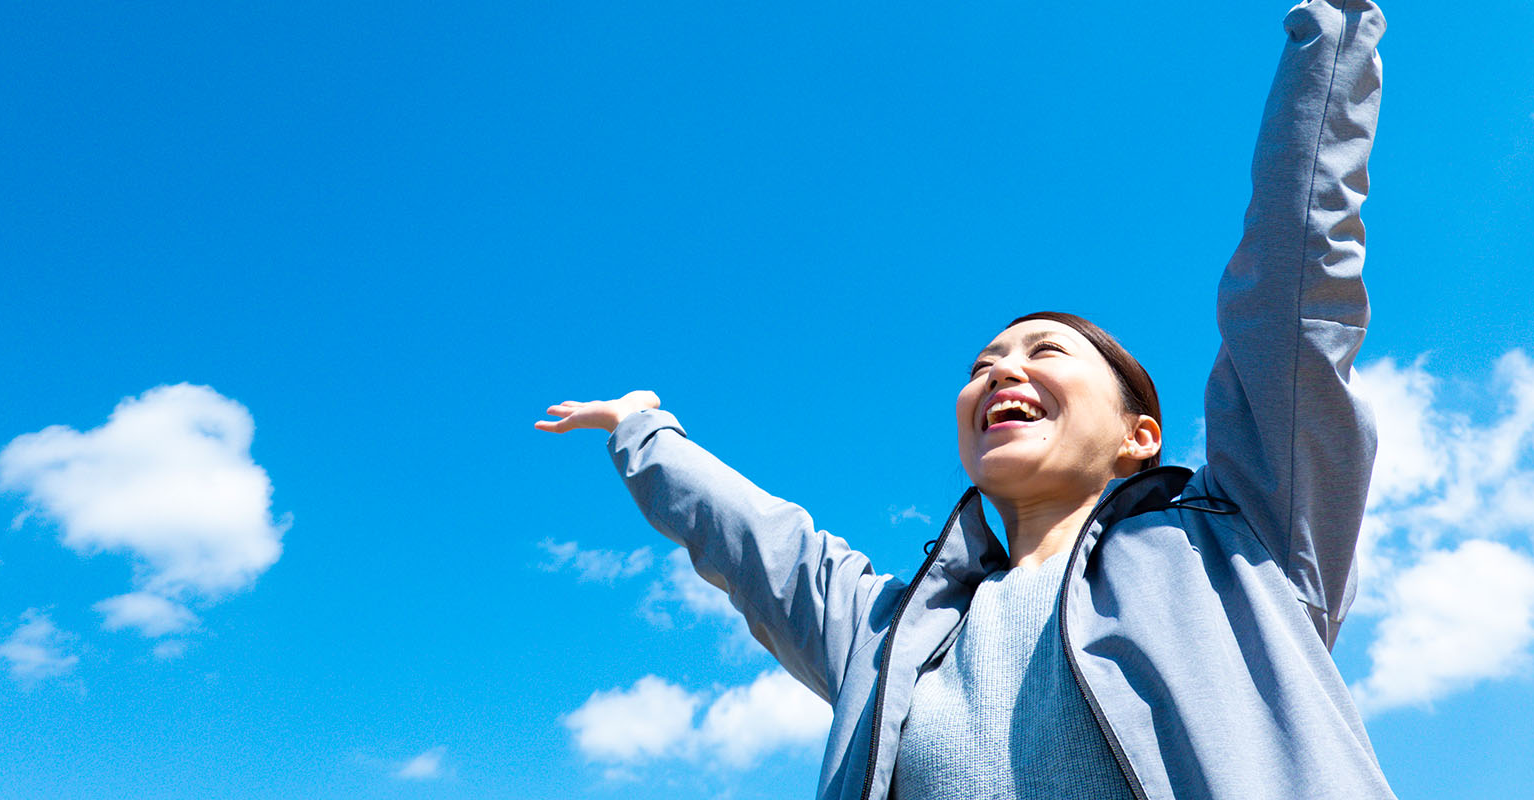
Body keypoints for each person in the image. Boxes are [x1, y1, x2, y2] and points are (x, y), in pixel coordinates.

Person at [536, 1, 1395, 798]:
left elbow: (1292, 289)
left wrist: (1333, 24)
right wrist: (638, 427)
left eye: (1044, 351)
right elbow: (761, 544)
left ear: (1140, 435)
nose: (1001, 373)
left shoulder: (1239, 534)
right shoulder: (890, 634)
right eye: (984, 364)